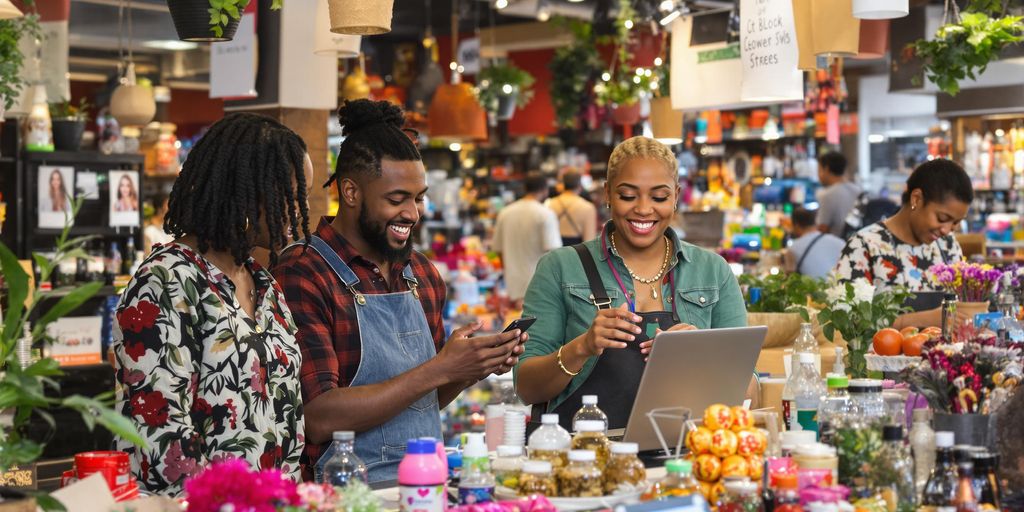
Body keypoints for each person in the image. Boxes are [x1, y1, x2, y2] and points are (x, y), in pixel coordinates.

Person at [273, 100, 526, 483]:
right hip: (346, 496)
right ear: (351, 192)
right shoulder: (304, 271)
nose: (413, 213)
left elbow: (421, 403)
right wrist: (440, 368)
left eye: (419, 197)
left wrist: (467, 370)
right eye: (396, 199)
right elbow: (319, 418)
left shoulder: (422, 274)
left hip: (425, 484)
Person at [111, 113, 313, 495]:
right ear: (249, 192)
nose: (300, 207)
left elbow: (286, 420)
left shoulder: (265, 283)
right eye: (291, 194)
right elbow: (158, 429)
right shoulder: (167, 280)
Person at [514, 136, 752, 431]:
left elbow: (748, 389)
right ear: (608, 194)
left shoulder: (712, 271)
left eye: (659, 197)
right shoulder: (561, 268)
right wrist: (582, 346)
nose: (643, 209)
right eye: (628, 196)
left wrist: (699, 358)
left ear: (676, 196)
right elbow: (526, 387)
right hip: (582, 459)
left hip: (682, 457)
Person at [832, 159, 973, 329]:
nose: (947, 230)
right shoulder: (864, 246)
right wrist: (920, 320)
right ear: (916, 199)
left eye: (955, 223)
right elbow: (848, 324)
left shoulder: (948, 247)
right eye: (942, 218)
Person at [492, 174, 562, 305]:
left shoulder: (505, 212)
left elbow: (497, 250)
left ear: (524, 188)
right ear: (545, 190)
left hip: (512, 286)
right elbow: (554, 255)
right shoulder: (545, 214)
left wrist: (508, 271)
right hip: (540, 286)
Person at [785, 207, 844, 278]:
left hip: (815, 288)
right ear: (815, 223)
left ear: (796, 225)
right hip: (842, 287)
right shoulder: (840, 242)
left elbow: (790, 280)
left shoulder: (793, 249)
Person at [547, 171, 598, 246]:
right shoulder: (588, 207)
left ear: (563, 184)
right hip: (575, 253)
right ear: (580, 185)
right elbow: (589, 242)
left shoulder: (549, 203)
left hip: (553, 252)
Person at [815, 152, 860, 237]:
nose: (818, 176)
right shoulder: (858, 190)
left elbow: (822, 229)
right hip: (857, 244)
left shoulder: (826, 195)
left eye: (819, 170)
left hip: (836, 246)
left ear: (826, 169)